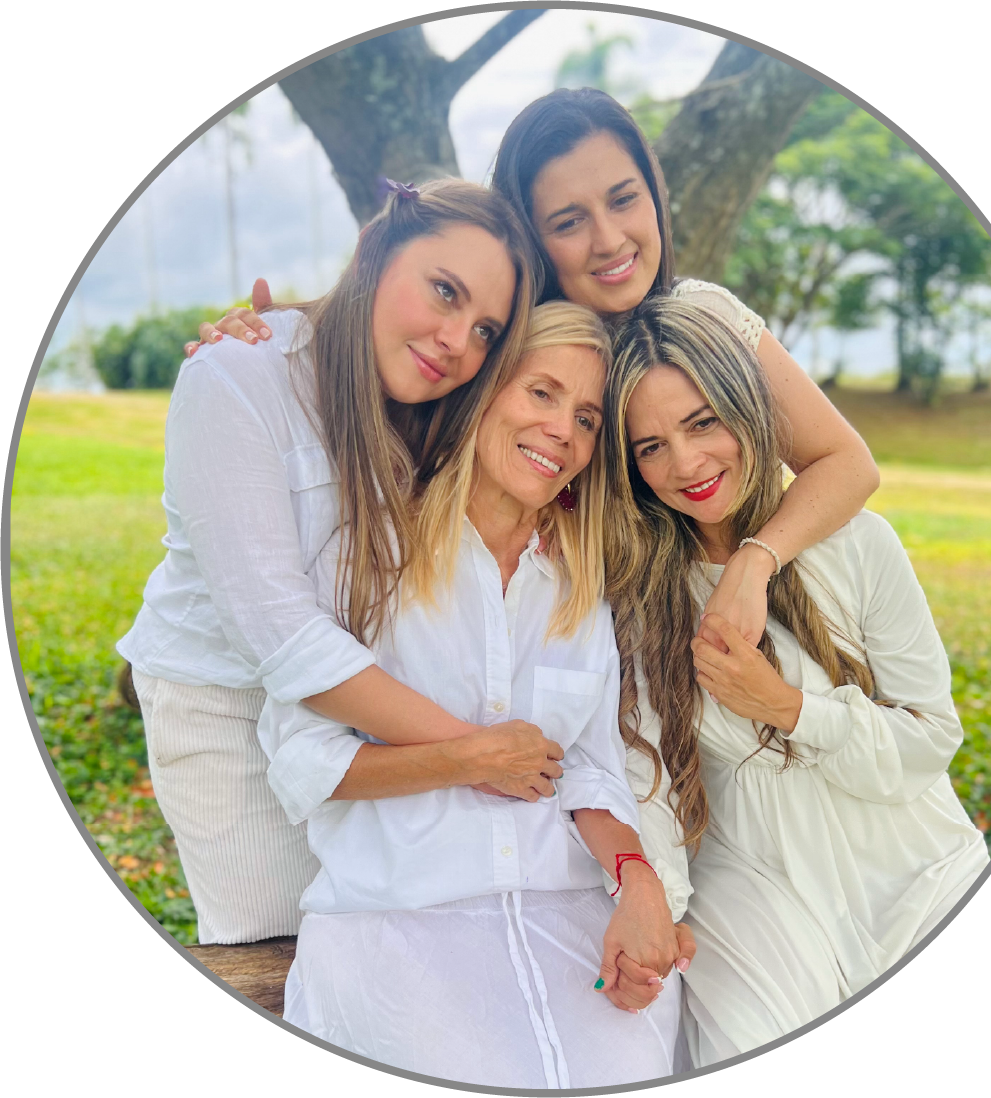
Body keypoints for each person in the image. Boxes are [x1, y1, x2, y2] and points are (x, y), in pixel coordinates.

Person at [190, 87, 881, 653]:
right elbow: (397, 333)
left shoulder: (707, 320)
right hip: (563, 644)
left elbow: (848, 463)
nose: (608, 239)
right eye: (569, 221)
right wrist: (285, 327)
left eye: (624, 199)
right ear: (534, 235)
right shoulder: (506, 342)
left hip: (731, 618)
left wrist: (757, 560)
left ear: (655, 194)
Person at [260, 301, 693, 1085]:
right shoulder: (367, 556)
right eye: (541, 393)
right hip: (397, 921)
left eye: (588, 419)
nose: (562, 431)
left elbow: (590, 766)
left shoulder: (576, 585)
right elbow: (302, 762)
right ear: (484, 393)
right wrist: (463, 759)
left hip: (566, 915)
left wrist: (637, 879)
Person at [117, 179, 554, 944]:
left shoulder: (433, 414)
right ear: (372, 249)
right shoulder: (236, 376)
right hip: (229, 705)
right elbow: (282, 638)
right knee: (280, 946)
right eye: (444, 291)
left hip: (368, 710)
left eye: (486, 330)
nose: (458, 341)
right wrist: (471, 752)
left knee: (374, 939)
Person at [602, 297, 990, 1061]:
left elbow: (931, 741)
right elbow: (647, 770)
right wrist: (660, 906)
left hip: (910, 870)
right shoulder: (642, 592)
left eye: (703, 422)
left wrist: (788, 708)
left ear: (747, 408)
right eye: (651, 446)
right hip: (756, 882)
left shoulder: (858, 545)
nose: (685, 464)